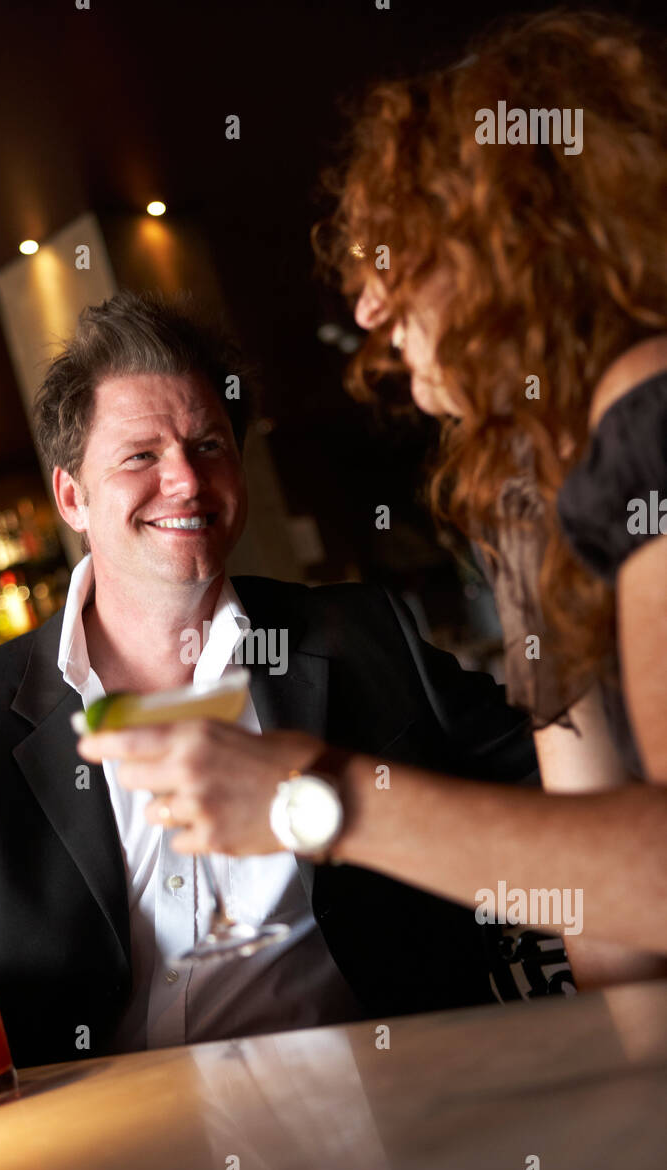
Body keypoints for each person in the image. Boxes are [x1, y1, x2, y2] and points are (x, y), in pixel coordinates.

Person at [0, 290, 540, 1138]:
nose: (185, 479)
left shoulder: (363, 634)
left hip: (392, 1113)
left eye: (208, 446)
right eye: (141, 455)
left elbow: (549, 774)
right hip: (98, 1159)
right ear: (73, 499)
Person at [75, 13, 667, 988]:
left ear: (519, 238)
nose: (366, 308)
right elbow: (615, 932)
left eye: (401, 251)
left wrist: (314, 794)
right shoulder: (535, 497)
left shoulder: (648, 412)